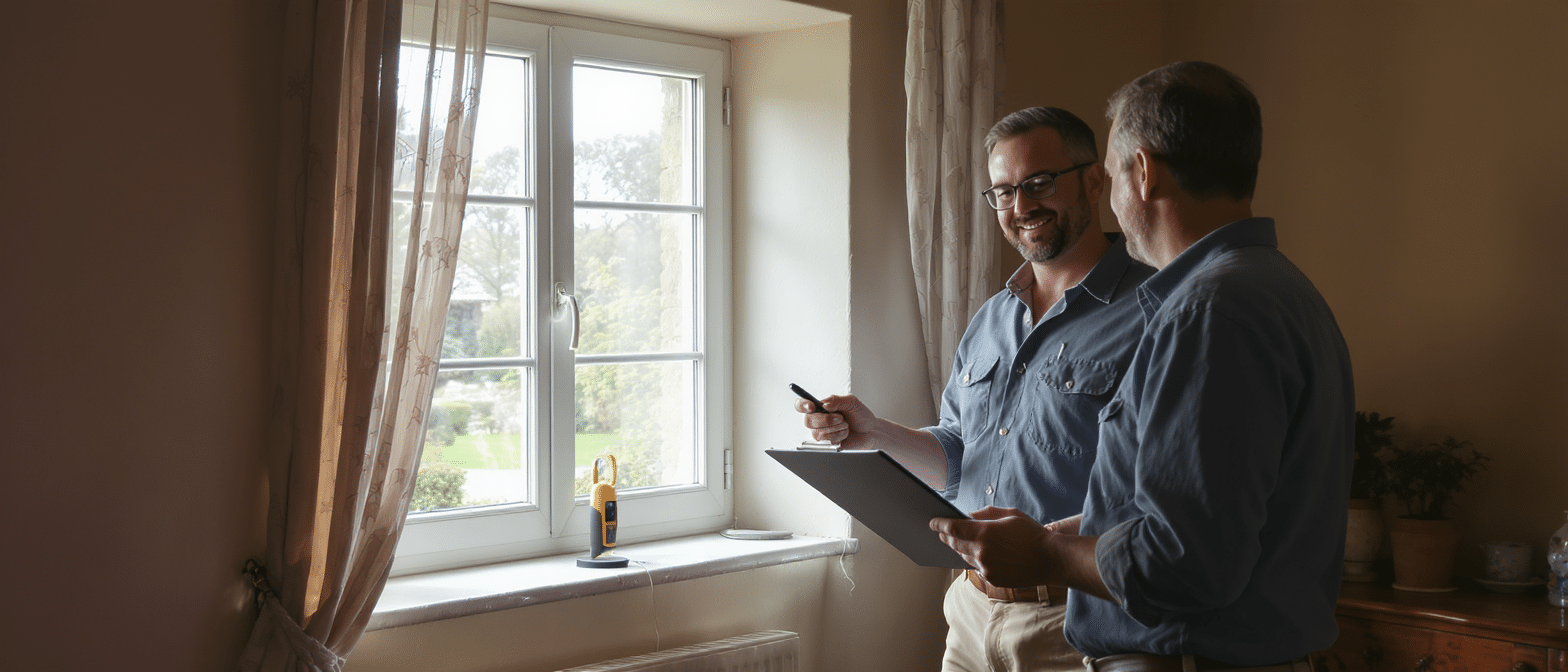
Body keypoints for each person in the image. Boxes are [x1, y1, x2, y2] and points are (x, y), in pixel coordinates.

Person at [930, 61, 1355, 672]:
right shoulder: (1279, 289)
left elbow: (1182, 561)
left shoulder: (1208, 311)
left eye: (1111, 173)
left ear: (1144, 172)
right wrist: (1070, 531)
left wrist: (1047, 555)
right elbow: (1209, 509)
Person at [797, 107, 1154, 672]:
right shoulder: (992, 319)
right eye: (1003, 192)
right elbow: (962, 453)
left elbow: (1163, 488)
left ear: (1093, 180)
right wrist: (875, 433)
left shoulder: (1154, 311)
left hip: (1079, 620)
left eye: (1039, 183)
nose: (1021, 206)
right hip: (969, 613)